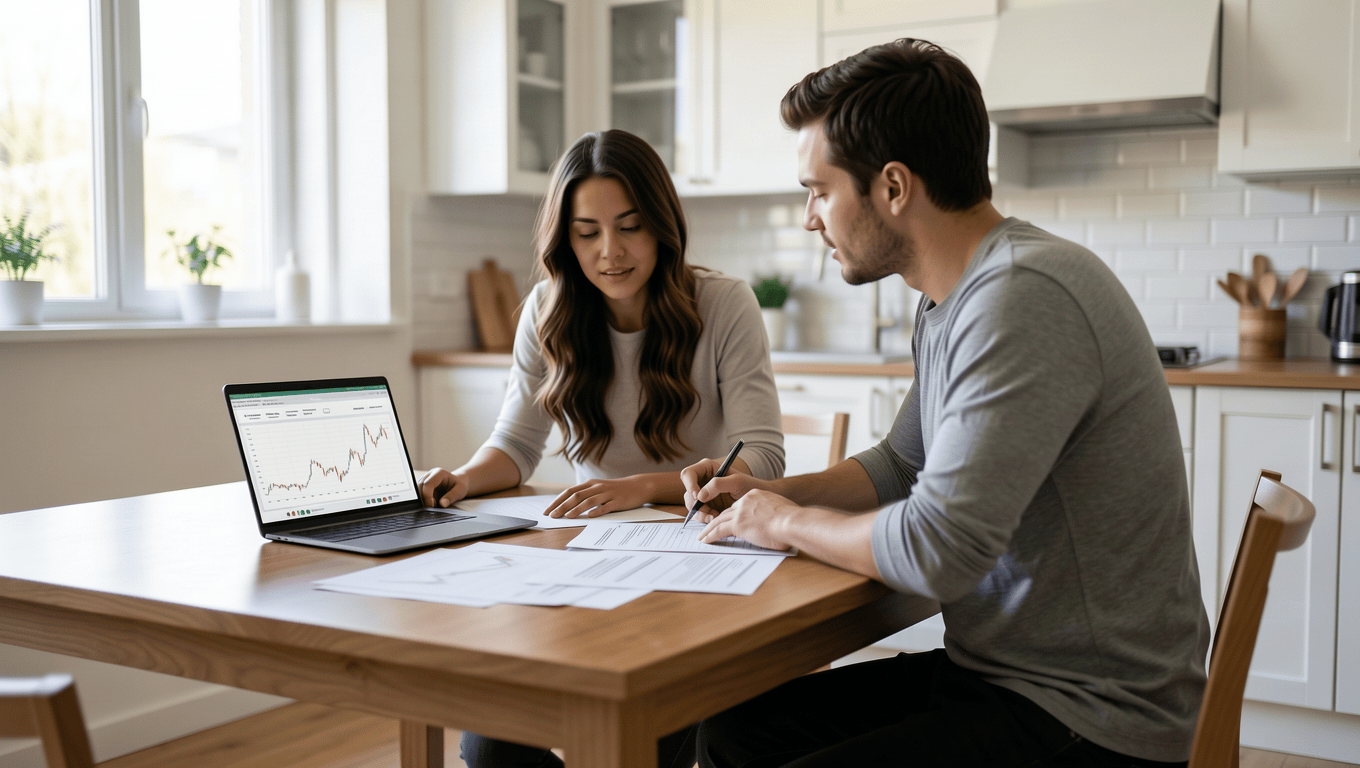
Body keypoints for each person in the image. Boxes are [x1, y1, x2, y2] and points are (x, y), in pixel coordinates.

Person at [681, 39, 1210, 768]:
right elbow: (902, 463)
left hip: (1093, 713)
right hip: (1004, 677)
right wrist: (765, 496)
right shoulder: (954, 298)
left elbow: (937, 551)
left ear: (894, 187)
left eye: (820, 190)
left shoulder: (1020, 297)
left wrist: (785, 522)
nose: (810, 217)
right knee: (732, 731)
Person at [418, 128, 785, 768]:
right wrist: (465, 478)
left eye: (630, 227)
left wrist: (643, 487)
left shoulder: (725, 304)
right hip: (589, 560)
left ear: (662, 226)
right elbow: (516, 444)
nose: (609, 252)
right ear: (566, 240)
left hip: (698, 558)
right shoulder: (546, 309)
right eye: (587, 233)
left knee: (644, 738)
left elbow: (763, 457)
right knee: (488, 745)